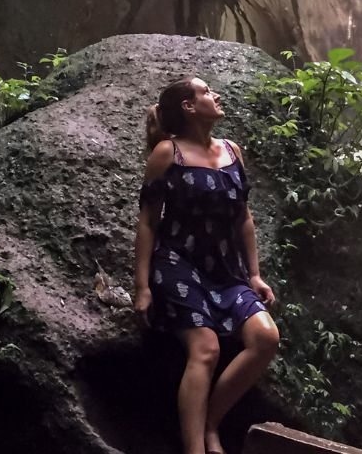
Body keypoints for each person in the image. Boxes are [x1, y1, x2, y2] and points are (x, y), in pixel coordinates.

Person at [135, 76, 279, 454]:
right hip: (178, 264)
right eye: (206, 92)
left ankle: (212, 424)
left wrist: (254, 275)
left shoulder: (232, 151)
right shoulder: (168, 153)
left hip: (225, 270)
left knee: (266, 338)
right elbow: (148, 221)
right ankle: (194, 448)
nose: (215, 96)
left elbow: (243, 218)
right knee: (206, 349)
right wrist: (143, 287)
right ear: (188, 106)